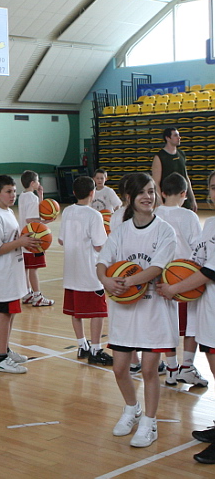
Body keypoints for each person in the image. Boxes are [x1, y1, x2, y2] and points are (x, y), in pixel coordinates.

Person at [96, 172, 176, 448]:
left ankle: (150, 422)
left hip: (154, 310)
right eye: (142, 192)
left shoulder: (165, 230)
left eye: (151, 191)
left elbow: (156, 267)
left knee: (149, 370)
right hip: (125, 311)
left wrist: (127, 282)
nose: (148, 196)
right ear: (129, 197)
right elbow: (103, 261)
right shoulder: (121, 231)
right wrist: (105, 280)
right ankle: (132, 408)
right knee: (120, 369)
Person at [157, 170, 215, 464]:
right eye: (213, 187)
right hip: (204, 301)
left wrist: (174, 287)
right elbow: (197, 259)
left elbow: (209, 269)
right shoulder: (206, 222)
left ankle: (175, 368)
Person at [153, 172, 207, 387]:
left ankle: (171, 368)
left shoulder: (154, 214)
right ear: (184, 193)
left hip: (161, 278)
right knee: (191, 324)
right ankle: (187, 366)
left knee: (167, 324)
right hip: (186, 278)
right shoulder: (189, 216)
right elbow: (199, 249)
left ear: (163, 193)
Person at [0, 174, 42, 374]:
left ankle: (6, 349)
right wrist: (20, 242)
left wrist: (26, 238)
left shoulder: (8, 212)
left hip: (13, 272)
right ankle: (0, 358)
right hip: (3, 275)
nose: (12, 195)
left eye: (14, 191)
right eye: (8, 192)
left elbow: (11, 239)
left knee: (10, 314)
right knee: (3, 314)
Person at [58, 176, 111, 365]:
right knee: (98, 312)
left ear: (74, 192)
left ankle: (82, 345)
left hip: (71, 271)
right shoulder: (94, 215)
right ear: (92, 193)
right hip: (89, 271)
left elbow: (61, 240)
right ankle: (96, 349)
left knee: (76, 312)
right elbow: (99, 245)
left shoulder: (67, 211)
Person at [18, 170, 54, 307]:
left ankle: (27, 294)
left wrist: (40, 196)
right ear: (33, 183)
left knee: (26, 268)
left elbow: (34, 211)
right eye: (38, 181)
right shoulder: (32, 198)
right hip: (34, 237)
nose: (39, 183)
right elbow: (31, 219)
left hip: (23, 236)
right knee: (33, 269)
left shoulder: (23, 196)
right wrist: (45, 221)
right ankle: (38, 296)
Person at [152, 127, 197, 211]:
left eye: (179, 135)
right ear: (167, 138)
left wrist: (192, 198)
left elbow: (186, 177)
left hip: (183, 197)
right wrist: (160, 203)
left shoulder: (181, 154)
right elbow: (155, 182)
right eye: (176, 135)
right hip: (168, 198)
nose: (179, 137)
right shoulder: (160, 156)